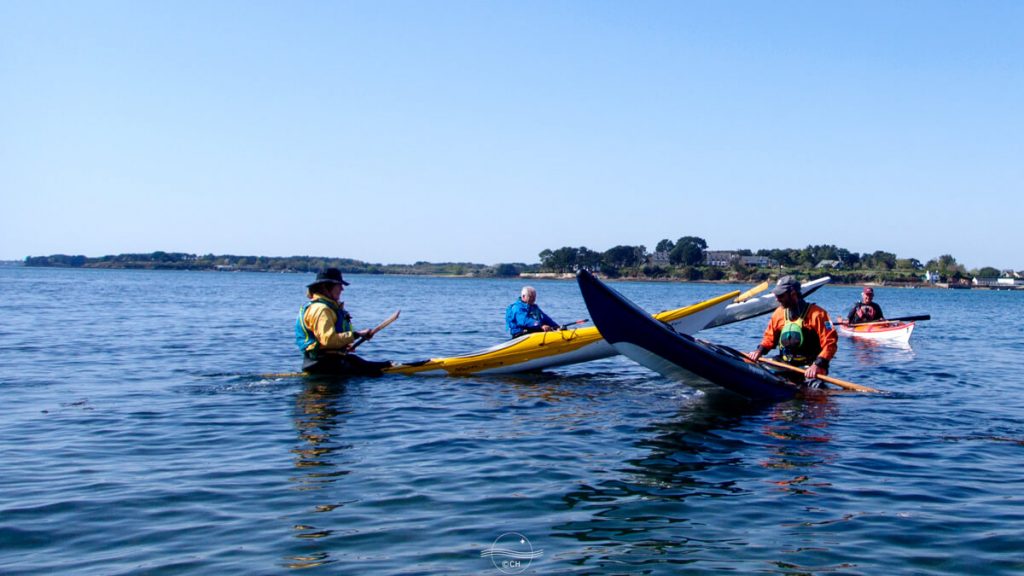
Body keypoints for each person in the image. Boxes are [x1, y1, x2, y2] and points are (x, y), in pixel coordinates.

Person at [295, 268, 391, 375]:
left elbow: (331, 341)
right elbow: (328, 340)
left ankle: (388, 366)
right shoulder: (322, 310)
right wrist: (356, 334)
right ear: (325, 287)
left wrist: (346, 343)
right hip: (322, 365)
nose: (342, 289)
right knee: (373, 370)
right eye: (339, 285)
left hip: (330, 361)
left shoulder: (327, 308)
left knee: (358, 361)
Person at [746, 275, 838, 381]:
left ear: (793, 294)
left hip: (810, 367)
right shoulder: (778, 313)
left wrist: (818, 364)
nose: (777, 299)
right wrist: (759, 351)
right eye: (776, 295)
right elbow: (769, 338)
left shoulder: (818, 314)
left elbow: (830, 343)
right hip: (785, 363)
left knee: (813, 387)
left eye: (781, 296)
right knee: (754, 368)